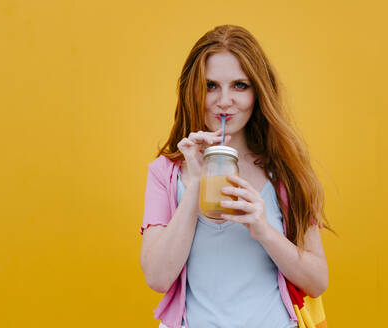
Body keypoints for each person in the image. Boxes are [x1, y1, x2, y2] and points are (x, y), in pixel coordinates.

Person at [139, 24, 332, 328]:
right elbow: (158, 277)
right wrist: (195, 186)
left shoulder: (285, 172)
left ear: (258, 92)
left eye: (240, 85)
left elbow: (317, 281)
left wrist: (264, 229)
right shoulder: (166, 172)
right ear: (194, 90)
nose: (224, 100)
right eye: (211, 86)